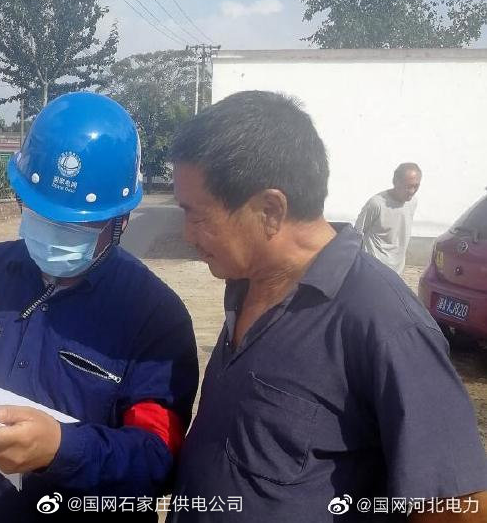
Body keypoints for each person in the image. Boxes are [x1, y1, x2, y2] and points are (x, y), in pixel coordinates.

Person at [0, 92, 199, 522]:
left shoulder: (154, 315)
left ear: (119, 221)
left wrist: (63, 450)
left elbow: (157, 458)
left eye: (76, 224)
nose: (52, 233)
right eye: (40, 213)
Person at [168, 91, 486, 522]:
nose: (187, 234)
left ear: (270, 210)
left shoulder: (384, 324)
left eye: (198, 216)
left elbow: (458, 509)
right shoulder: (245, 285)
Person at [355, 163, 422, 274]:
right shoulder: (376, 204)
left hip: (397, 271)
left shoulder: (412, 202)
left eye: (416, 186)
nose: (412, 191)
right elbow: (357, 232)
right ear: (396, 181)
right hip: (374, 269)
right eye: (408, 186)